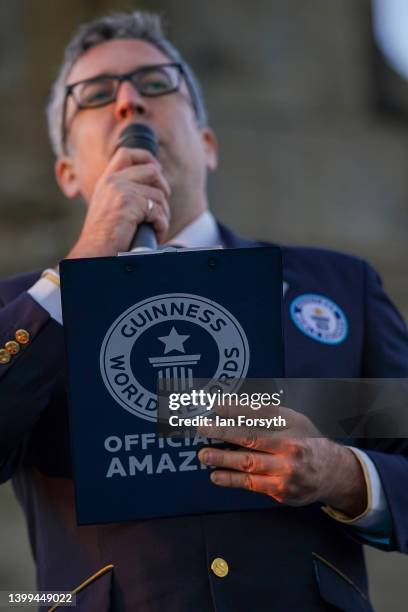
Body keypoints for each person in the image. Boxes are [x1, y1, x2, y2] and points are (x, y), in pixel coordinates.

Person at [0, 10, 407, 612]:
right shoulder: (25, 309)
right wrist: (78, 271)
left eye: (157, 83)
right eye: (95, 94)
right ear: (67, 174)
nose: (130, 101)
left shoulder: (340, 286)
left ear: (208, 143)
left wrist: (344, 475)